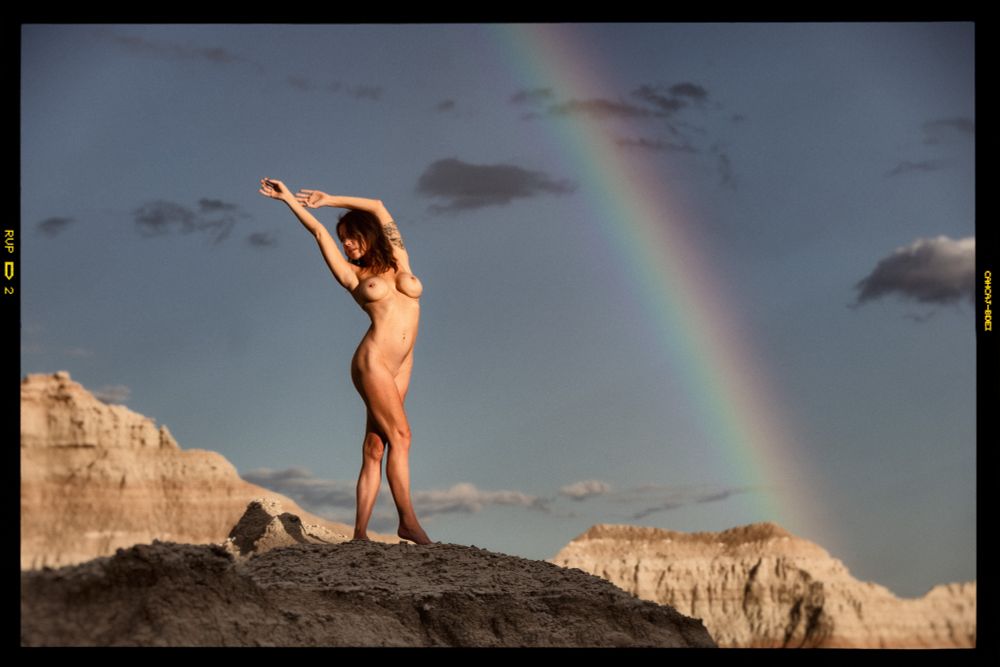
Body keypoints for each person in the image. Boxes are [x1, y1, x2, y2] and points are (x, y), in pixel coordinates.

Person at [258, 177, 432, 545]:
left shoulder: (400, 259)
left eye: (351, 238)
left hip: (403, 363)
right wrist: (290, 199)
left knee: (376, 446)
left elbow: (380, 206)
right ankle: (409, 523)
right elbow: (319, 233)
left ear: (367, 236)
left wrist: (330, 199)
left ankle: (360, 535)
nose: (347, 245)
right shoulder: (352, 275)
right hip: (373, 362)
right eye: (344, 241)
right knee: (402, 437)